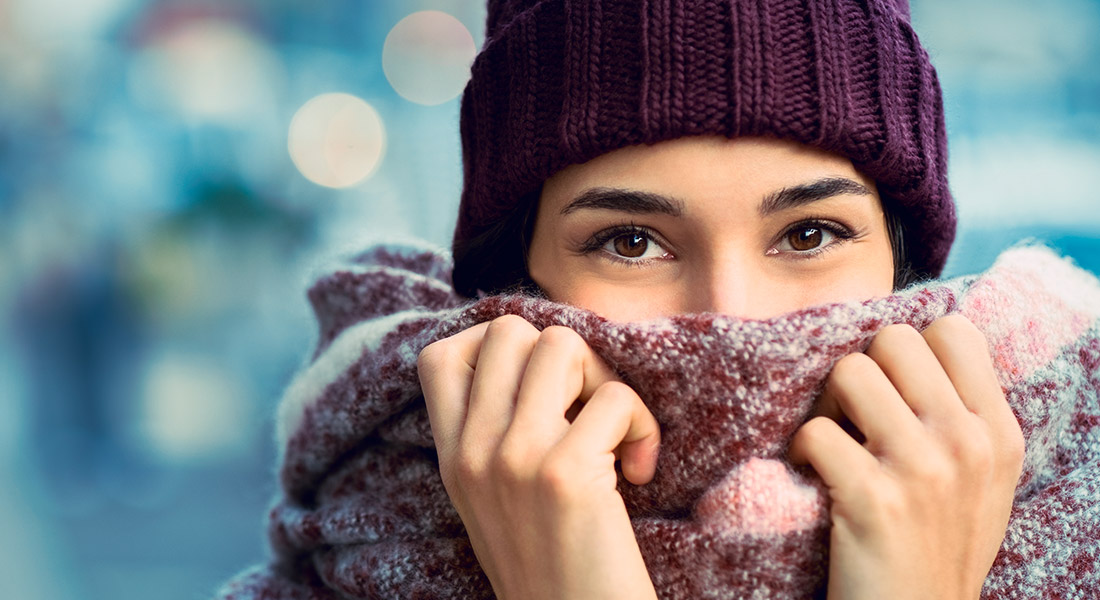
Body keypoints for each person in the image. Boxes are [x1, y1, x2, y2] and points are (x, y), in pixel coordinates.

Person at [409, 0, 1026, 598]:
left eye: (807, 235)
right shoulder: (342, 526)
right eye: (630, 243)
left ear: (902, 263)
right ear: (517, 277)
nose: (732, 321)